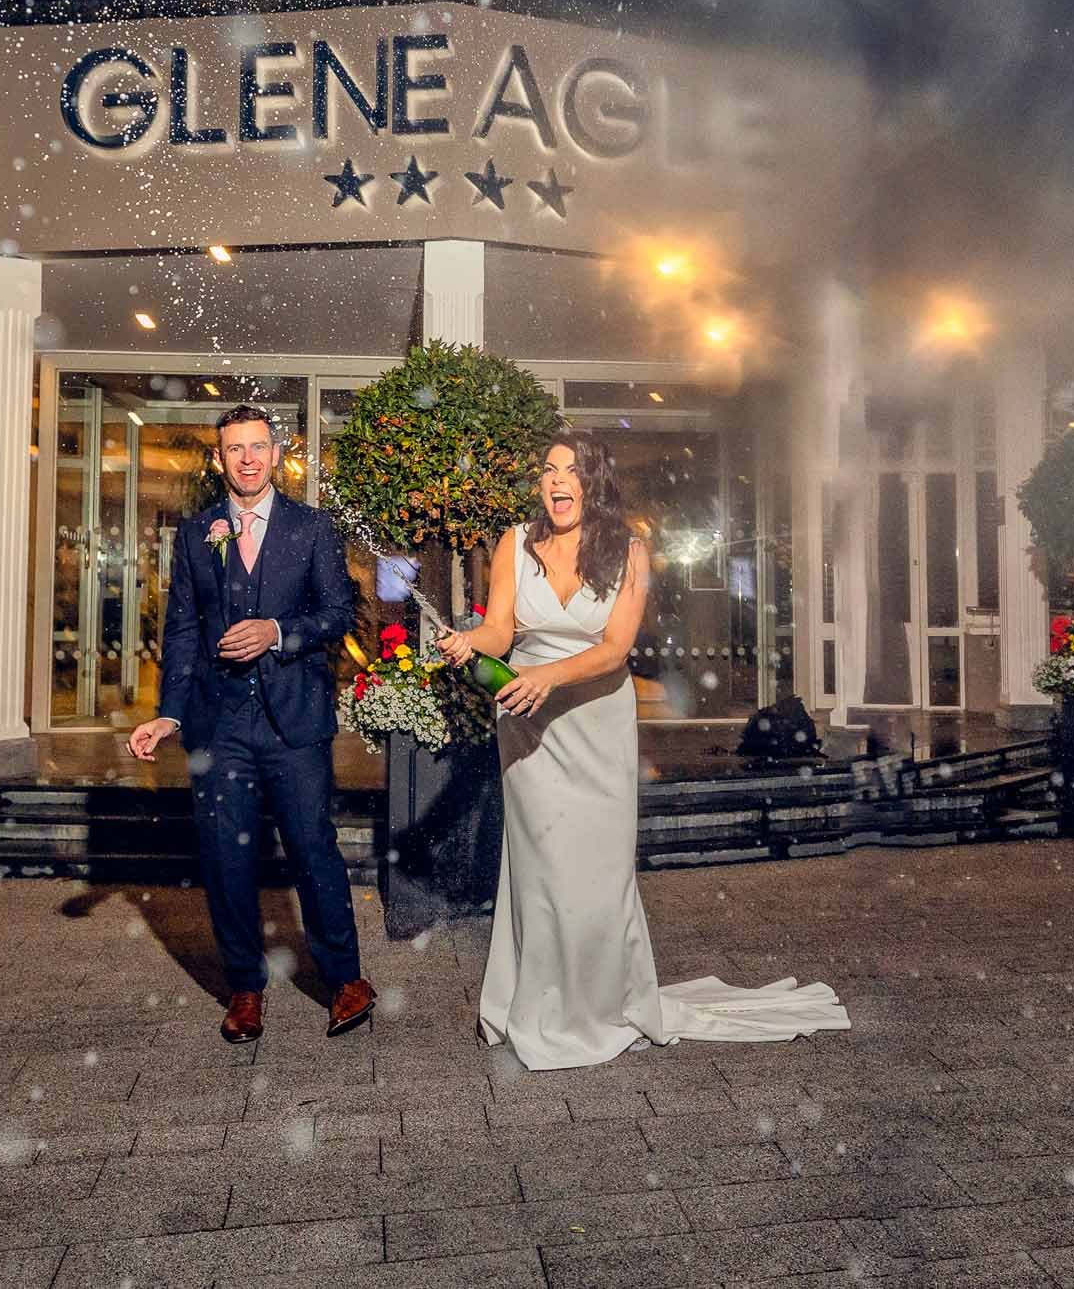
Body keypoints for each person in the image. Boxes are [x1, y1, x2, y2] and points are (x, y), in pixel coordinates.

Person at [438, 430, 849, 1069]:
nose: (556, 481)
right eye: (548, 470)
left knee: (600, 875)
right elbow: (499, 627)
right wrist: (472, 645)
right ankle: (544, 1007)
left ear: (593, 482)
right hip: (529, 726)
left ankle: (602, 1002)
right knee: (543, 869)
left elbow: (613, 650)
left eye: (570, 471)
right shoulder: (515, 545)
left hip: (596, 720)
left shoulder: (630, 551)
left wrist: (549, 675)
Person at [126, 404, 375, 1044]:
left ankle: (345, 978)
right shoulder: (197, 533)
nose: (247, 459)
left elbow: (339, 613)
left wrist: (279, 632)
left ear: (276, 453)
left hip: (294, 722)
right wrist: (169, 712)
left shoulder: (312, 528)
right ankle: (244, 989)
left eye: (257, 447)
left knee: (313, 851)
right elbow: (182, 629)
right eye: (234, 449)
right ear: (218, 459)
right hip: (221, 725)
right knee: (226, 860)